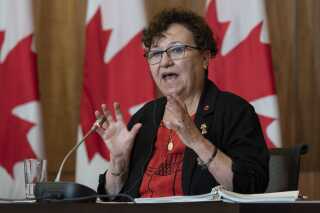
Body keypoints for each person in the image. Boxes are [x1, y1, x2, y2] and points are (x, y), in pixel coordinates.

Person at [95, 8, 269, 199]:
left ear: (204, 58)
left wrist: (196, 140)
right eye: (155, 54)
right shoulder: (143, 118)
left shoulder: (234, 112)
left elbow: (251, 187)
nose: (165, 62)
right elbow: (110, 197)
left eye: (177, 50)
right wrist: (118, 163)